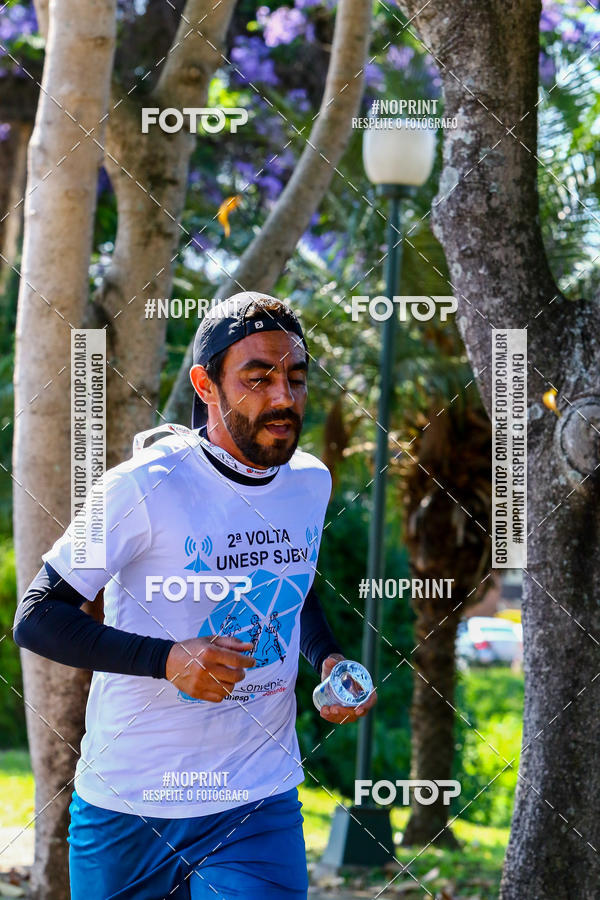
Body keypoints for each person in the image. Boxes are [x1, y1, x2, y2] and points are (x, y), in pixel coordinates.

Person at [14, 292, 376, 900]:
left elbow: (294, 582)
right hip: (129, 803)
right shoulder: (138, 486)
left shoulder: (310, 482)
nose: (283, 398)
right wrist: (169, 660)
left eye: (295, 377)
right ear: (206, 385)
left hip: (256, 799)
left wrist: (328, 658)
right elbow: (37, 617)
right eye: (258, 378)